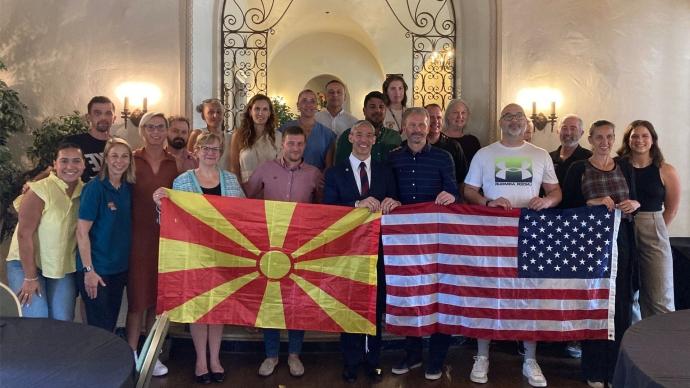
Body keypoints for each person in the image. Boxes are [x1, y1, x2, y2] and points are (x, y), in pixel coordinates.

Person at [463, 103, 562, 387]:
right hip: (492, 234)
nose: (514, 120)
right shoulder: (485, 154)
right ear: (500, 122)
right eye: (509, 116)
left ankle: (530, 359)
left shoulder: (540, 155)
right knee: (488, 292)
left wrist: (546, 201)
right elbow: (469, 190)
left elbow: (555, 192)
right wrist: (487, 202)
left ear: (526, 122)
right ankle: (482, 356)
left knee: (529, 295)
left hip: (529, 234)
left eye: (519, 116)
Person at [154, 132, 244, 384]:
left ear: (221, 152)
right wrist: (161, 206)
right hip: (194, 255)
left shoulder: (230, 180)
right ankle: (200, 361)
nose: (211, 153)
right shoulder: (182, 181)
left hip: (223, 254)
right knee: (198, 308)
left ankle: (215, 359)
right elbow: (172, 221)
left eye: (216, 149)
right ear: (196, 150)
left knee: (218, 307)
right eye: (206, 148)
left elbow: (243, 216)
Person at [562, 120, 639, 388]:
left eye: (609, 137)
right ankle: (594, 369)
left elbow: (637, 200)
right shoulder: (577, 168)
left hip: (623, 242)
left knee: (620, 305)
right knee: (595, 304)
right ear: (591, 139)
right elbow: (566, 208)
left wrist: (634, 204)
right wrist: (590, 204)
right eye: (599, 137)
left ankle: (617, 370)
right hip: (590, 246)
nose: (604, 142)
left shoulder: (626, 166)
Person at [323, 120, 398, 384]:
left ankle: (373, 360)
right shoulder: (334, 173)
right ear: (350, 138)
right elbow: (329, 210)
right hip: (346, 252)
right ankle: (351, 360)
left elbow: (395, 200)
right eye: (359, 134)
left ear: (375, 140)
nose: (364, 139)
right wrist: (356, 203)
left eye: (369, 135)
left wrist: (394, 201)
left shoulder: (385, 171)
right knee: (349, 305)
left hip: (378, 250)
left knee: (374, 306)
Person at [244, 126, 322, 377]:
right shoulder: (265, 169)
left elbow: (324, 206)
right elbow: (246, 197)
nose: (295, 148)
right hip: (269, 245)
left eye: (300, 144)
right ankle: (271, 355)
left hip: (301, 247)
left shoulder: (313, 173)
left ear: (304, 146)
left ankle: (294, 355)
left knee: (297, 302)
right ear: (282, 144)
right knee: (271, 301)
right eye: (291, 143)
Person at [388, 107, 459, 381]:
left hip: (439, 240)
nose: (417, 130)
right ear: (404, 129)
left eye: (422, 125)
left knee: (441, 295)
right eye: (412, 125)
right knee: (410, 294)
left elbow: (453, 190)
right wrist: (390, 199)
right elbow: (389, 191)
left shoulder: (444, 157)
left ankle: (437, 358)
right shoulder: (393, 158)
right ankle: (412, 353)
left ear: (429, 128)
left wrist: (450, 194)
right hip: (406, 241)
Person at [5, 142, 85, 320]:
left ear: (83, 164)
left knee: (63, 320)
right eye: (64, 161)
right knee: (36, 320)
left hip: (59, 266)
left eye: (76, 161)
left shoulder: (85, 191)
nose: (70, 166)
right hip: (26, 264)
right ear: (55, 165)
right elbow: (23, 234)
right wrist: (30, 278)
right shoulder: (39, 190)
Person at [126, 112, 179, 377]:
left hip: (166, 240)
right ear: (143, 131)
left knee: (157, 300)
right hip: (138, 238)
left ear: (167, 131)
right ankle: (131, 353)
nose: (156, 132)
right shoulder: (132, 160)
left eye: (161, 127)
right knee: (137, 299)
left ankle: (151, 353)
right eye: (151, 127)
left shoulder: (173, 163)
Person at [617, 120, 680, 318]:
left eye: (645, 136)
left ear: (653, 140)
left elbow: (671, 209)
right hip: (623, 227)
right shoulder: (618, 166)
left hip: (652, 226)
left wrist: (655, 229)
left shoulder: (665, 170)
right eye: (635, 136)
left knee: (659, 292)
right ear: (628, 140)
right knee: (626, 292)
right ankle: (633, 342)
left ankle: (663, 344)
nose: (640, 140)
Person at [75, 138, 135, 332]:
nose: (120, 161)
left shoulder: (128, 188)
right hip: (97, 269)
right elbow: (82, 231)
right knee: (98, 329)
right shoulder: (95, 188)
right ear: (106, 159)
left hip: (118, 269)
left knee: (109, 325)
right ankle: (94, 363)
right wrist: (88, 271)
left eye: (125, 156)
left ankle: (107, 363)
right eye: (114, 156)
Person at [228, 94, 282, 184]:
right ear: (250, 111)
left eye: (265, 109)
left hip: (270, 189)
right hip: (246, 189)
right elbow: (234, 168)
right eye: (257, 109)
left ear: (269, 113)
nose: (260, 113)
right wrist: (241, 190)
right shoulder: (238, 135)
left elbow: (281, 169)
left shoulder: (278, 136)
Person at [335, 91, 402, 164]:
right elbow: (340, 167)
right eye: (372, 107)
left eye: (381, 107)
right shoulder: (349, 135)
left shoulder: (394, 137)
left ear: (385, 111)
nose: (377, 110)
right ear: (364, 111)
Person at [278, 89, 335, 170]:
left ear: (316, 106)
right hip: (286, 178)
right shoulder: (284, 129)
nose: (309, 105)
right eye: (304, 101)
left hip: (316, 180)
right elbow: (277, 158)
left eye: (312, 101)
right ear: (298, 105)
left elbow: (328, 166)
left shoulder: (327, 134)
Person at [66, 96, 116, 181]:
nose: (103, 117)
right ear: (88, 117)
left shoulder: (119, 145)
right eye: (97, 113)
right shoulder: (73, 143)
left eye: (108, 113)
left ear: (114, 118)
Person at [426, 103, 468, 190]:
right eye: (431, 117)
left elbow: (462, 179)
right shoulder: (414, 145)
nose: (436, 121)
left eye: (439, 117)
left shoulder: (454, 146)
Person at [550, 114, 592, 185]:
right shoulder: (548, 157)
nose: (568, 133)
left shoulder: (590, 158)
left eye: (573, 128)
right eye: (564, 128)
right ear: (558, 131)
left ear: (581, 133)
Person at [443, 99, 482, 164]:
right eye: (455, 112)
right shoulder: (439, 139)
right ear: (447, 116)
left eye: (463, 113)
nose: (460, 116)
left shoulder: (473, 141)